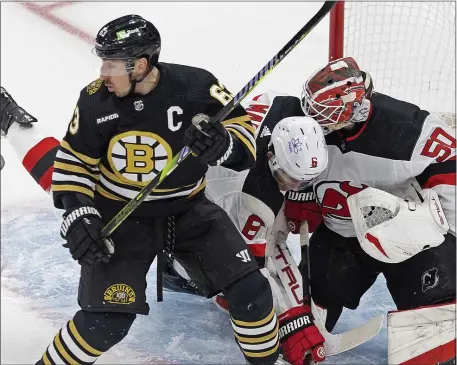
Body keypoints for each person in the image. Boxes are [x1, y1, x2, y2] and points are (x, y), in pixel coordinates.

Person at [2, 13, 287, 365]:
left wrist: (224, 146)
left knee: (253, 294)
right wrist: (79, 211)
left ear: (139, 64)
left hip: (189, 209)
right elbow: (74, 163)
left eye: (111, 64)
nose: (103, 73)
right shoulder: (94, 101)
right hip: (121, 216)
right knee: (104, 324)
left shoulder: (197, 87)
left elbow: (244, 137)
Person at [243, 56, 456, 365]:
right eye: (311, 108)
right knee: (301, 330)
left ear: (354, 106)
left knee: (434, 339)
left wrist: (444, 234)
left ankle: (437, 320)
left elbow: (449, 171)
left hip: (407, 237)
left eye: (324, 113)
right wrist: (289, 309)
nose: (313, 120)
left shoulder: (406, 130)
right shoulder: (288, 128)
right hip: (340, 234)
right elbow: (262, 232)